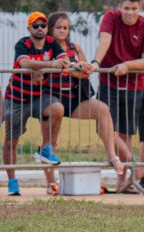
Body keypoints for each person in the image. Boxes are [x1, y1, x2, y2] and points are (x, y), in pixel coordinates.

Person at [47, 12, 130, 188]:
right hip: (52, 98)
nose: (62, 31)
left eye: (65, 28)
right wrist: (73, 67)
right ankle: (50, 181)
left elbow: (85, 71)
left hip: (75, 97)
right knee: (50, 140)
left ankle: (112, 155)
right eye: (58, 27)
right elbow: (57, 68)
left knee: (102, 109)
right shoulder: (47, 47)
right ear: (51, 29)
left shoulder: (75, 47)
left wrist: (83, 67)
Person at [94, 0, 144, 193]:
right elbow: (104, 41)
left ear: (140, 8)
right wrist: (96, 62)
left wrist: (127, 66)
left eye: (134, 9)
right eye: (126, 8)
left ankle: (123, 183)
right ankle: (133, 163)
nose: (129, 12)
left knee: (126, 133)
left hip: (133, 84)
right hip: (108, 81)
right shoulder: (110, 18)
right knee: (104, 128)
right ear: (119, 6)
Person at [1, 11, 65, 196]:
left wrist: (40, 68)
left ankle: (45, 148)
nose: (40, 29)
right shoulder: (23, 43)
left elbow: (65, 60)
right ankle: (12, 181)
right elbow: (23, 62)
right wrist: (48, 66)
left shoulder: (52, 43)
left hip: (38, 96)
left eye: (43, 25)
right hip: (17, 98)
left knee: (57, 108)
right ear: (29, 28)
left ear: (47, 28)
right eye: (35, 26)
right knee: (11, 142)